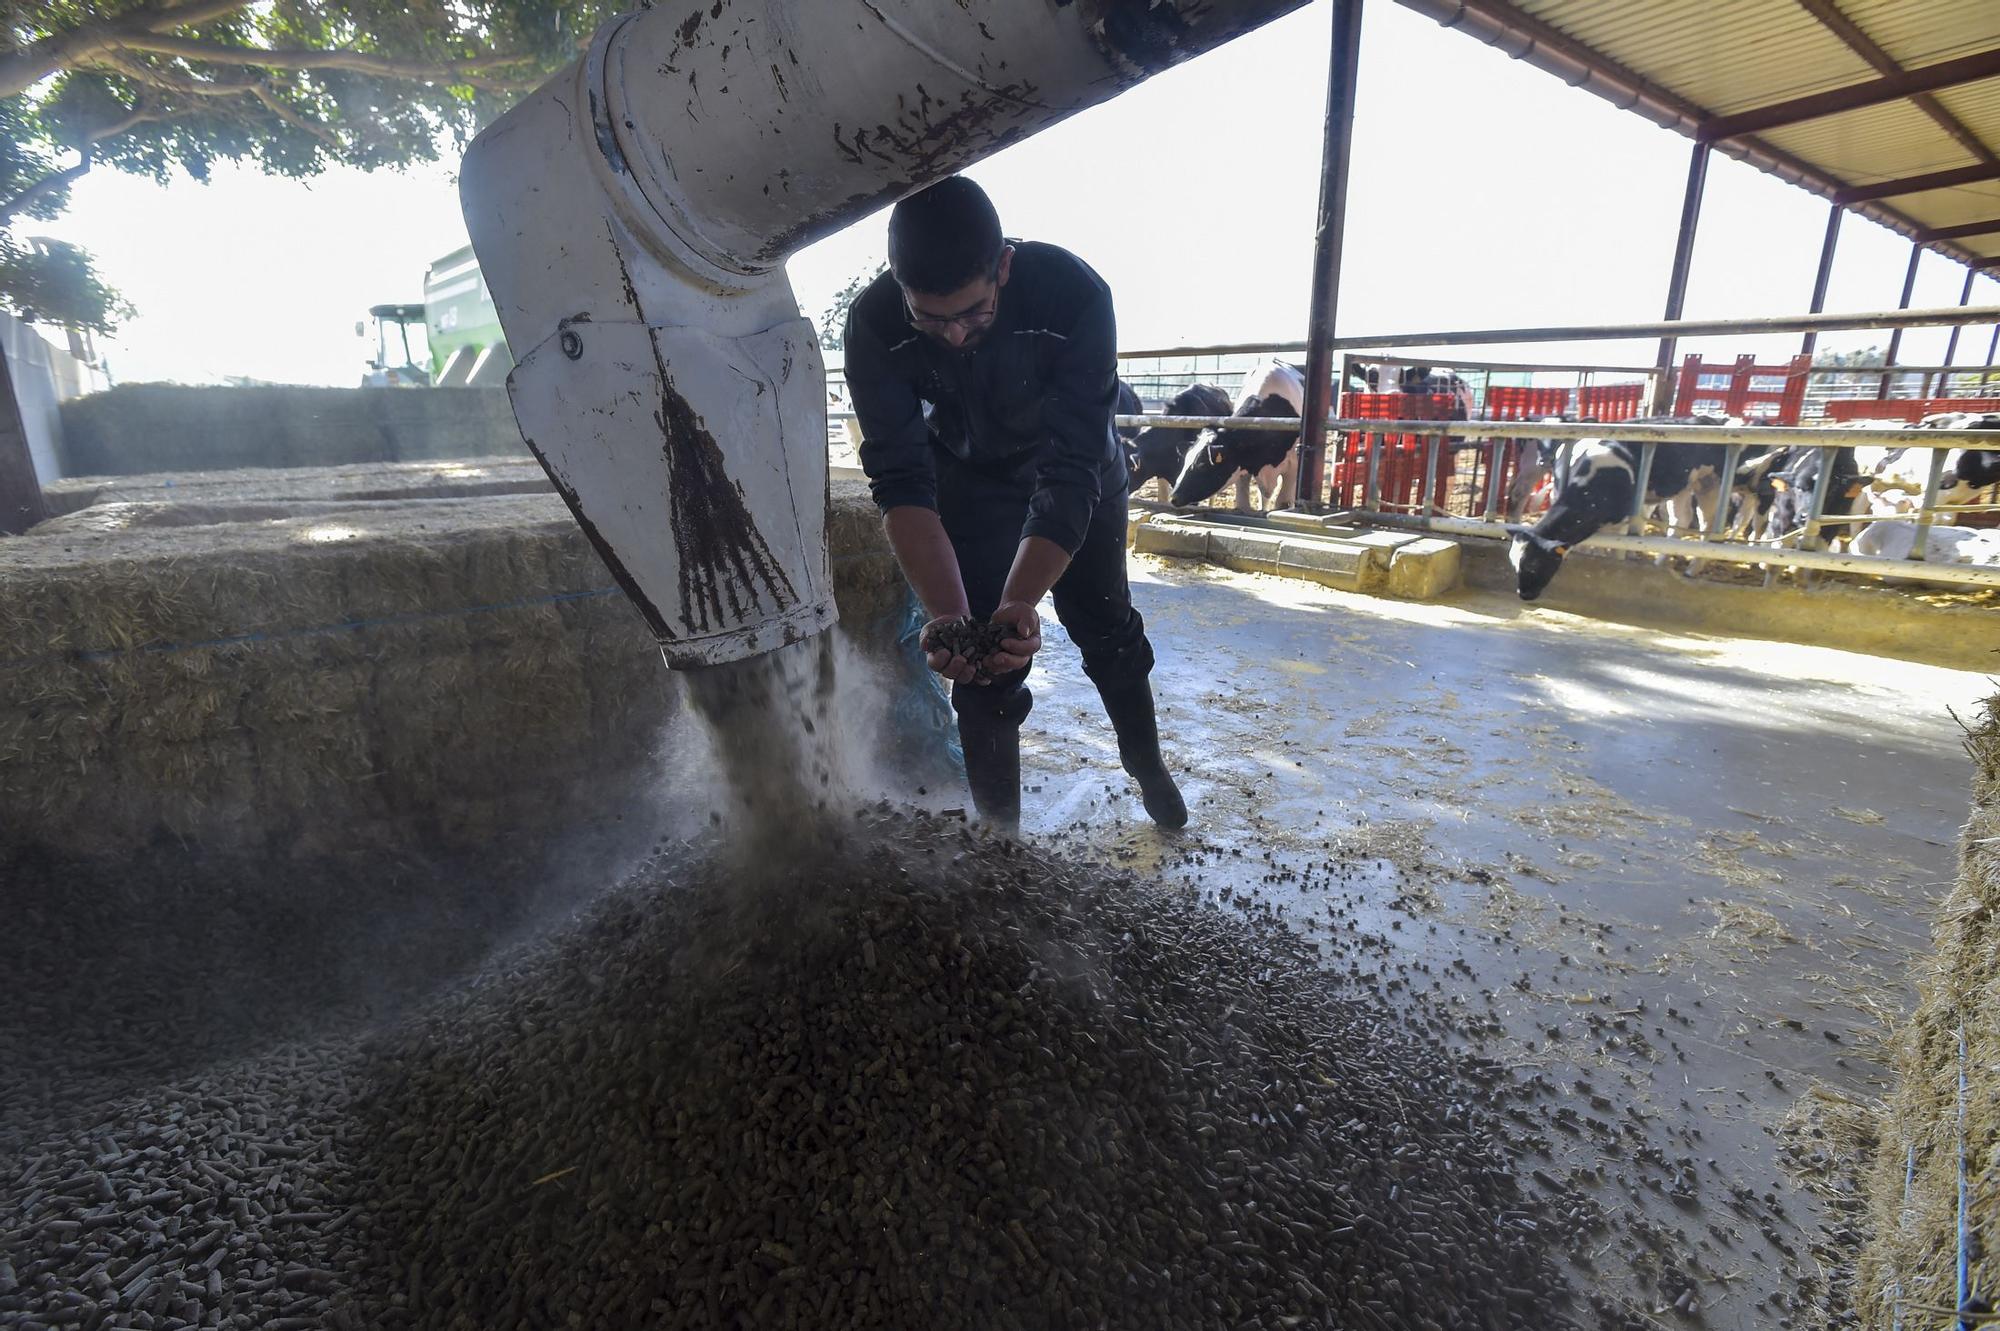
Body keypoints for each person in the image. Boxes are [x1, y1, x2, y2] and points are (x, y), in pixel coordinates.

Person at [843, 176, 1185, 831]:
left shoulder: (1074, 294)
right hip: (969, 478)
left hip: (1077, 470)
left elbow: (1072, 469)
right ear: (898, 286)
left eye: (974, 312)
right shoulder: (873, 325)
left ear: (1003, 267)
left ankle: (1146, 766)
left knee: (1105, 626)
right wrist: (947, 611)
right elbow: (901, 479)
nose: (954, 336)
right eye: (930, 318)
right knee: (980, 662)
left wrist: (1023, 597)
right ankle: (1002, 844)